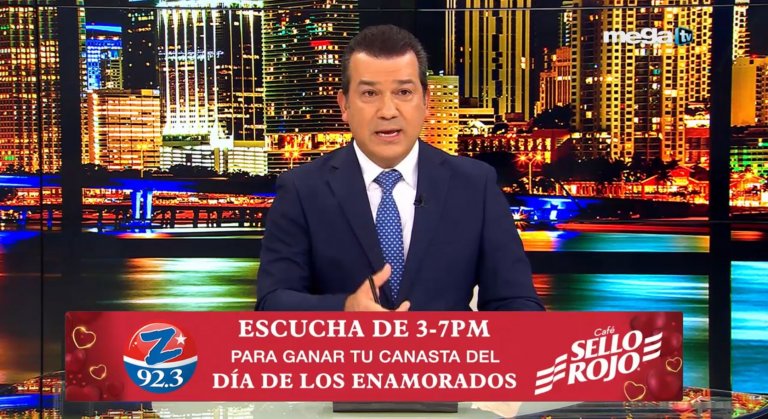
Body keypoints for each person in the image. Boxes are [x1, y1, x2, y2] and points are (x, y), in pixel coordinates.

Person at [256, 25, 544, 312]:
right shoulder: (302, 189)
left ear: (426, 101)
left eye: (404, 92)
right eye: (370, 93)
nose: (388, 111)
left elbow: (516, 301)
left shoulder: (474, 185)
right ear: (344, 105)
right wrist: (344, 311)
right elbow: (272, 303)